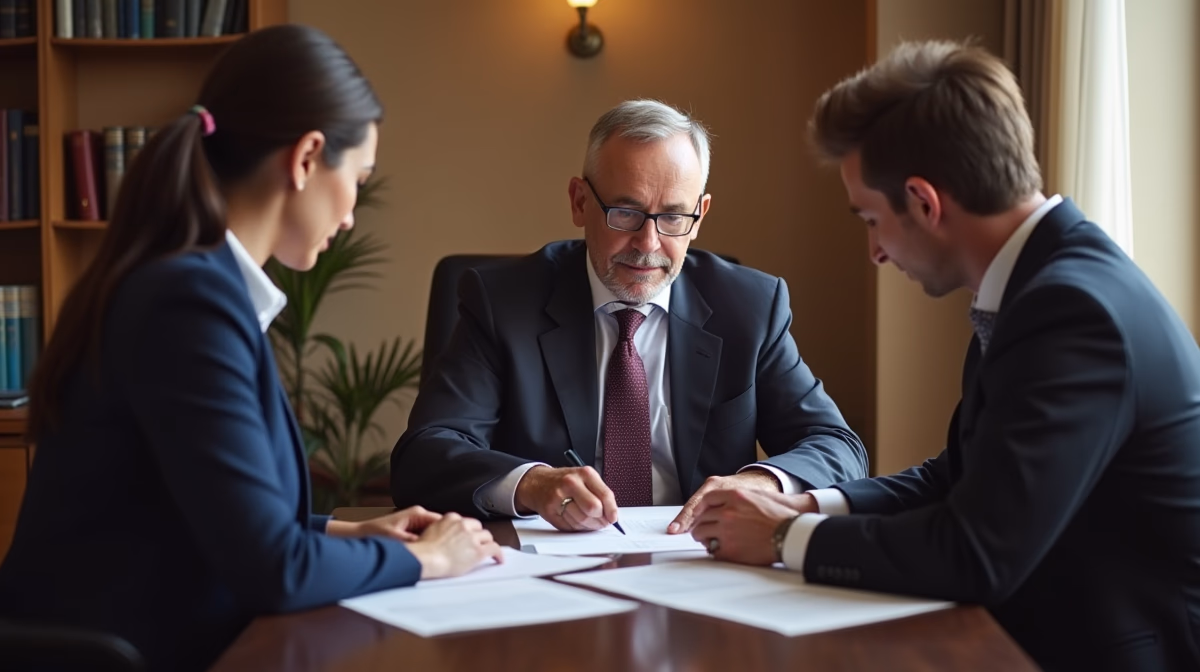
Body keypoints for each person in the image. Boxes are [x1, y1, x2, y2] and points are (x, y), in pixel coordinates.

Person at [0, 25, 501, 672]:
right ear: (306, 158)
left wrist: (350, 530)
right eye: (359, 179)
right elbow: (273, 568)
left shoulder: (189, 285)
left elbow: (205, 511)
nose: (350, 216)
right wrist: (428, 558)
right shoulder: (188, 304)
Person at [688, 40, 1200, 671]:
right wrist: (807, 504)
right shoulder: (1041, 280)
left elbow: (975, 553)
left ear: (925, 203)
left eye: (871, 219)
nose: (874, 252)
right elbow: (954, 475)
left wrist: (781, 537)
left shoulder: (1071, 310)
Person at [391, 99, 867, 533]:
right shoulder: (503, 301)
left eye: (674, 217)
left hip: (698, 565)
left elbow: (837, 446)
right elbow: (425, 454)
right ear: (580, 202)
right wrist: (531, 484)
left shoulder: (750, 306)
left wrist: (761, 483)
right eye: (625, 212)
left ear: (700, 215)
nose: (648, 244)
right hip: (550, 571)